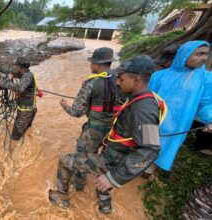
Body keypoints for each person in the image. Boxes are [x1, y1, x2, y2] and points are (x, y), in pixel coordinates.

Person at [49, 55, 166, 214]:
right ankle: (104, 209)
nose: (117, 82)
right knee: (103, 178)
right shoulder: (141, 99)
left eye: (122, 79)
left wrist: (115, 177)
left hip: (114, 159)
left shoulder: (143, 109)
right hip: (114, 152)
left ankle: (61, 197)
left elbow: (150, 149)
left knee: (65, 161)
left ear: (136, 80)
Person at [59, 47, 125, 190]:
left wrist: (64, 105)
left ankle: (78, 186)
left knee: (83, 157)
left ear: (97, 64)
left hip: (95, 129)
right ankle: (103, 194)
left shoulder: (91, 82)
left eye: (91, 63)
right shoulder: (122, 79)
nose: (90, 66)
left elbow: (77, 112)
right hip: (116, 130)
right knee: (105, 161)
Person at [149, 41, 212, 171]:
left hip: (177, 127)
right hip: (153, 122)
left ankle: (150, 169)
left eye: (206, 54)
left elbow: (206, 103)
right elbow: (146, 100)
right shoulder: (159, 76)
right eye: (199, 54)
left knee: (163, 150)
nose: (204, 58)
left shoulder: (206, 79)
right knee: (144, 145)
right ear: (185, 54)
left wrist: (210, 118)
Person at [0, 57, 38, 141]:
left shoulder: (27, 76)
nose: (14, 67)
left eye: (16, 65)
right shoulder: (24, 73)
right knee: (26, 132)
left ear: (21, 67)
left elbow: (20, 88)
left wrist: (3, 82)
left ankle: (14, 152)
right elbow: (9, 70)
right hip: (28, 110)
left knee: (15, 138)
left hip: (25, 113)